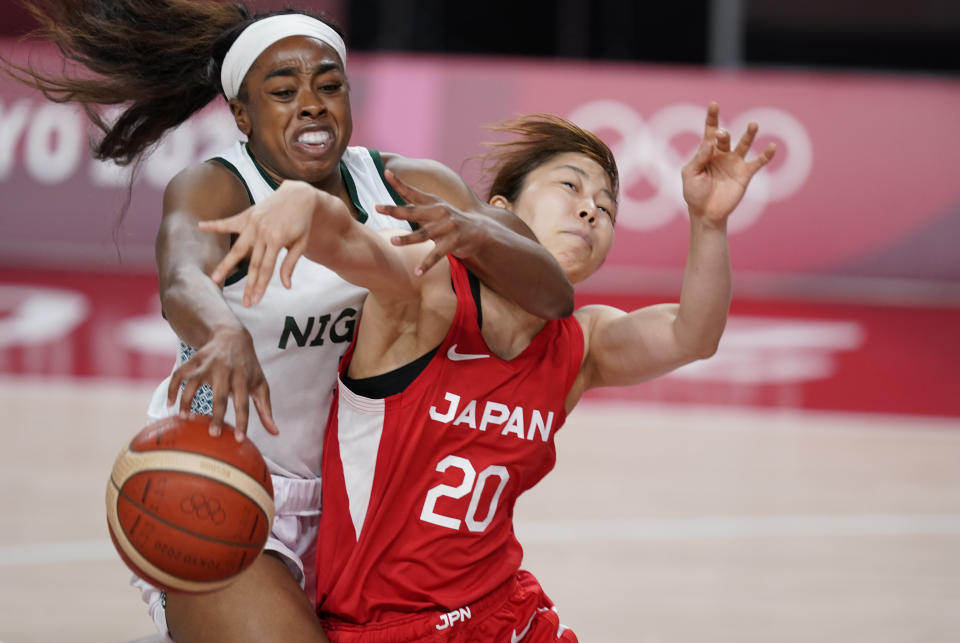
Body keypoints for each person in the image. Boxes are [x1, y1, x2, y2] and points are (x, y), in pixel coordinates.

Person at [2, 2, 575, 641]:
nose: (311, 103)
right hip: (223, 481)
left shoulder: (407, 183)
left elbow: (552, 295)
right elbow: (183, 276)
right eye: (283, 91)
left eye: (329, 85)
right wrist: (220, 332)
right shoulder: (218, 186)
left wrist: (474, 231)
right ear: (242, 115)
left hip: (367, 511)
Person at [201, 103, 776, 641]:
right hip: (383, 624)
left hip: (505, 613)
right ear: (499, 214)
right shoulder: (428, 290)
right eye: (571, 187)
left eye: (606, 207)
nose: (590, 209)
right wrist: (306, 204)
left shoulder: (583, 343)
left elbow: (692, 334)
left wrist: (708, 222)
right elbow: (355, 243)